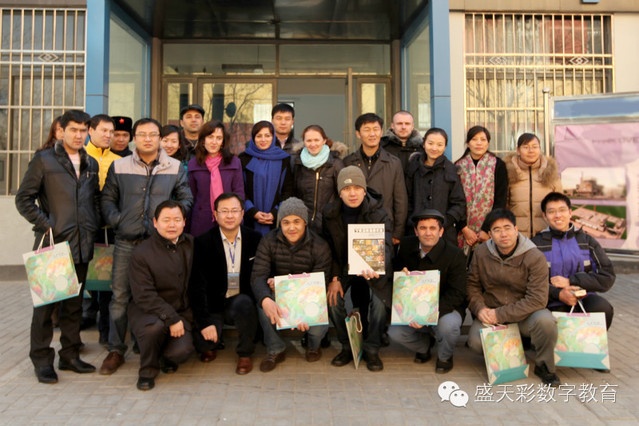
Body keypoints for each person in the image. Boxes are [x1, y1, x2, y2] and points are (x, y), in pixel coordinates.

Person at [99, 117, 193, 376]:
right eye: (142, 134)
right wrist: (119, 221)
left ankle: (146, 343)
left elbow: (186, 198)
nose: (148, 139)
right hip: (126, 241)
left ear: (160, 138)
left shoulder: (174, 166)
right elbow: (107, 199)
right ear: (134, 138)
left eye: (153, 134)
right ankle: (116, 349)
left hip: (158, 244)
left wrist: (170, 221)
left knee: (156, 293)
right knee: (120, 295)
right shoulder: (120, 166)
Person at [15, 109, 100, 384]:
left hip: (82, 243)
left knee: (74, 307)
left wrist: (93, 224)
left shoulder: (90, 163)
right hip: (53, 244)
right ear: (61, 131)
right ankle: (42, 360)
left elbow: (93, 200)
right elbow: (23, 199)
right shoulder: (44, 159)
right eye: (73, 129)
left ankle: (70, 355)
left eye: (83, 130)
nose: (78, 135)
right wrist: (47, 224)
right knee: (46, 307)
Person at [466, 208, 561, 386]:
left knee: (546, 321)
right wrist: (480, 309)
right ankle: (509, 353)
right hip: (491, 312)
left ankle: (545, 366)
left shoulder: (534, 256)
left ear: (516, 230)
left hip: (525, 315)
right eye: (497, 230)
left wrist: (500, 314)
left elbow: (538, 299)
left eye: (507, 228)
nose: (503, 234)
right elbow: (472, 285)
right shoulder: (481, 253)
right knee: (475, 343)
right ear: (490, 235)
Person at [322, 166, 393, 372]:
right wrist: (334, 277)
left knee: (380, 304)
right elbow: (328, 250)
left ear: (364, 190)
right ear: (339, 192)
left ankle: (372, 348)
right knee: (333, 299)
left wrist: (376, 265)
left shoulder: (379, 213)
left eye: (357, 188)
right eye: (346, 189)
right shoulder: (329, 214)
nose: (352, 193)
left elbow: (387, 246)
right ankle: (347, 345)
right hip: (343, 265)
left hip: (372, 266)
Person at [251, 197, 332, 372]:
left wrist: (301, 312)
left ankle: (313, 345)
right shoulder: (268, 241)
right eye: (286, 222)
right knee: (263, 303)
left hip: (309, 298)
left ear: (305, 222)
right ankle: (276, 348)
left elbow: (320, 285)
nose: (291, 227)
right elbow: (258, 276)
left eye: (297, 221)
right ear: (280, 223)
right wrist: (266, 298)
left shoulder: (320, 246)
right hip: (280, 295)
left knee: (319, 319)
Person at [189, 193, 262, 374]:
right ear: (215, 214)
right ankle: (213, 338)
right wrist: (204, 322)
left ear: (242, 213)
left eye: (234, 211)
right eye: (224, 211)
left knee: (244, 303)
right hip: (214, 303)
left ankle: (245, 353)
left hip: (240, 301)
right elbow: (197, 285)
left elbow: (261, 273)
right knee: (204, 346)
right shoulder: (203, 242)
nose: (230, 216)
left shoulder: (255, 239)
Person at [389, 209, 467, 373]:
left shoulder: (455, 254)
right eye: (423, 228)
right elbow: (395, 275)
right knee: (395, 332)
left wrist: (427, 315)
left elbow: (457, 293)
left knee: (449, 326)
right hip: (413, 305)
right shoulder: (406, 246)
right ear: (416, 231)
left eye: (433, 228)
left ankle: (445, 357)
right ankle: (424, 346)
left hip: (444, 308)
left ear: (441, 231)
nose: (428, 233)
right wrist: (400, 275)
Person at [128, 200, 195, 391]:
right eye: (166, 220)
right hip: (148, 311)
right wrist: (172, 318)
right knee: (153, 328)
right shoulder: (142, 252)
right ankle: (147, 370)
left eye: (177, 220)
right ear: (155, 222)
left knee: (182, 351)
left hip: (181, 310)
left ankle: (165, 355)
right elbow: (144, 295)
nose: (172, 225)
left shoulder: (191, 244)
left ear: (184, 222)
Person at [532, 192, 615, 329]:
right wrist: (558, 293)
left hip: (584, 297)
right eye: (551, 212)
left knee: (602, 308)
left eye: (562, 210)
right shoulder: (536, 244)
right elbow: (528, 282)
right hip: (550, 301)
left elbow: (607, 276)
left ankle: (592, 343)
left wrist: (572, 281)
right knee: (552, 321)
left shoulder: (586, 241)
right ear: (544, 216)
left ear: (570, 212)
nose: (558, 215)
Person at [82, 114, 121, 342]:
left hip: (110, 229)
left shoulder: (118, 161)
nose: (108, 135)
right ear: (90, 131)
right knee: (82, 282)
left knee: (107, 282)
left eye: (111, 132)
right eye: (103, 131)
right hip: (85, 229)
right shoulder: (80, 158)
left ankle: (106, 334)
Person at [344, 113, 408, 244]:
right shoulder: (348, 162)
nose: (372, 134)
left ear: (381, 132)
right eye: (367, 130)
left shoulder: (393, 163)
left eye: (376, 129)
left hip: (384, 227)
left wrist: (398, 232)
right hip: (355, 227)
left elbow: (400, 200)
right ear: (358, 134)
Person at [405, 127, 466, 245]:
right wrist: (413, 220)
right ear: (424, 144)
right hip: (415, 231)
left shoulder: (451, 170)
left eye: (439, 145)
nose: (434, 148)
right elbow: (406, 198)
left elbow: (459, 203)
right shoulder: (413, 168)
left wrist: (444, 222)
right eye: (430, 143)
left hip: (444, 233)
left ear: (445, 147)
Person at [187, 120, 245, 237]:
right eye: (210, 137)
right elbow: (191, 197)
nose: (214, 142)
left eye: (219, 138)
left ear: (223, 142)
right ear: (203, 140)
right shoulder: (194, 164)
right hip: (201, 220)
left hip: (229, 219)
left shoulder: (234, 162)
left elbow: (239, 193)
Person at [455, 126, 508, 251]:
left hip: (488, 231)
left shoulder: (498, 165)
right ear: (468, 143)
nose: (479, 143)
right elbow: (454, 199)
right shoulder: (458, 166)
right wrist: (464, 228)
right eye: (474, 139)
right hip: (463, 230)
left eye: (483, 140)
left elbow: (500, 200)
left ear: (488, 143)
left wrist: (486, 228)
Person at [239, 120, 293, 236]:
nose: (263, 139)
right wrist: (253, 212)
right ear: (253, 138)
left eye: (267, 135)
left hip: (277, 220)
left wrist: (275, 213)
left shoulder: (284, 159)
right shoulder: (243, 159)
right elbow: (240, 189)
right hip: (249, 219)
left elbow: (288, 191)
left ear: (273, 137)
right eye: (259, 136)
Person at [505, 132, 562, 238]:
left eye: (535, 147)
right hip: (517, 238)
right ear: (518, 150)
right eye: (526, 147)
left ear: (540, 149)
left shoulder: (551, 174)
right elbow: (503, 208)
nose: (531, 151)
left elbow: (560, 205)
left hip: (546, 236)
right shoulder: (508, 173)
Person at [291, 124, 344, 234]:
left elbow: (342, 194)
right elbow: (293, 193)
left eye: (316, 140)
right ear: (304, 142)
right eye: (309, 140)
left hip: (329, 225)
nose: (313, 144)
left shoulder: (335, 164)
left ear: (324, 141)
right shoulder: (297, 163)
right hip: (303, 225)